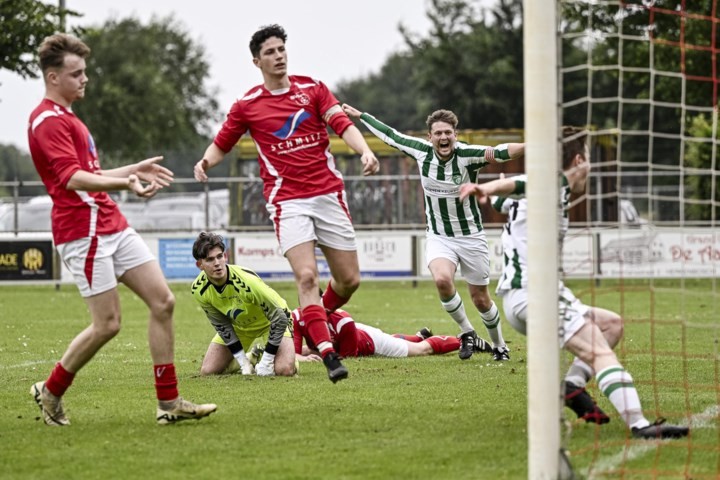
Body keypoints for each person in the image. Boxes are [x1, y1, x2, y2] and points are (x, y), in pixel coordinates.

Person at [27, 33, 216, 426]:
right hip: (83, 232)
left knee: (163, 301)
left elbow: (90, 174)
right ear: (52, 77)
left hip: (110, 223)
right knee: (108, 324)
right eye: (76, 74)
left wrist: (132, 170)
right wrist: (124, 184)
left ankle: (169, 403)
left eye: (85, 72)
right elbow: (72, 179)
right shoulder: (46, 121)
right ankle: (51, 390)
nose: (85, 80)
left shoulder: (69, 119)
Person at [459, 127, 689, 439]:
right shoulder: (555, 185)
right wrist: (492, 185)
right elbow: (522, 183)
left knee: (612, 325)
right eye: (590, 160)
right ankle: (640, 425)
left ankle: (570, 387)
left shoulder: (534, 196)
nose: (591, 168)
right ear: (579, 160)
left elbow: (509, 198)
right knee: (600, 353)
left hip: (522, 298)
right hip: (535, 294)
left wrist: (490, 193)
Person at [194, 24, 380, 383]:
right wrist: (204, 162)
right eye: (270, 52)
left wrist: (366, 150)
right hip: (288, 201)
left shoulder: (313, 89)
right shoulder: (247, 105)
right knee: (306, 275)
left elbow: (342, 124)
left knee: (349, 280)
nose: (278, 56)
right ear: (256, 60)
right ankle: (328, 354)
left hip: (328, 195)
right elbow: (222, 143)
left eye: (281, 49)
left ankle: (310, 318)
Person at [342, 103, 524, 362]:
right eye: (438, 133)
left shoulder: (467, 154)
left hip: (471, 236)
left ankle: (499, 346)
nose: (443, 137)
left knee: (481, 299)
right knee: (441, 280)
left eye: (448, 132)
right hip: (439, 236)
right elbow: (391, 136)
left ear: (455, 135)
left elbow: (500, 152)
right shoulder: (421, 151)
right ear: (430, 137)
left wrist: (533, 146)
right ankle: (467, 332)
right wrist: (362, 117)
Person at [191, 232, 296, 377]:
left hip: (272, 321)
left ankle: (273, 357)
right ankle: (251, 358)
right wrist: (243, 362)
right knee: (208, 371)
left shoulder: (246, 282)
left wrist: (267, 361)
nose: (217, 263)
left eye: (220, 256)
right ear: (200, 264)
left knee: (284, 369)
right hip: (240, 327)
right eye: (210, 259)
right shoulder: (198, 289)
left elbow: (279, 318)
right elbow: (222, 325)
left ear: (225, 256)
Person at [292, 308, 494, 359]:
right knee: (394, 338)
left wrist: (309, 354)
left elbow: (346, 356)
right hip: (361, 333)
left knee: (420, 350)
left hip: (371, 343)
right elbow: (295, 351)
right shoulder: (297, 316)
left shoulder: (343, 321)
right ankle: (418, 334)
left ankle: (463, 340)